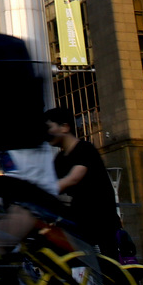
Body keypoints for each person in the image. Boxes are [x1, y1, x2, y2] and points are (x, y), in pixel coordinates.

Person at [46, 106, 120, 255]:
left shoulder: (85, 149)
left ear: (65, 127)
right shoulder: (59, 160)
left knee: (108, 269)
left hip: (101, 218)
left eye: (48, 127)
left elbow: (73, 178)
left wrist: (41, 190)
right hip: (79, 217)